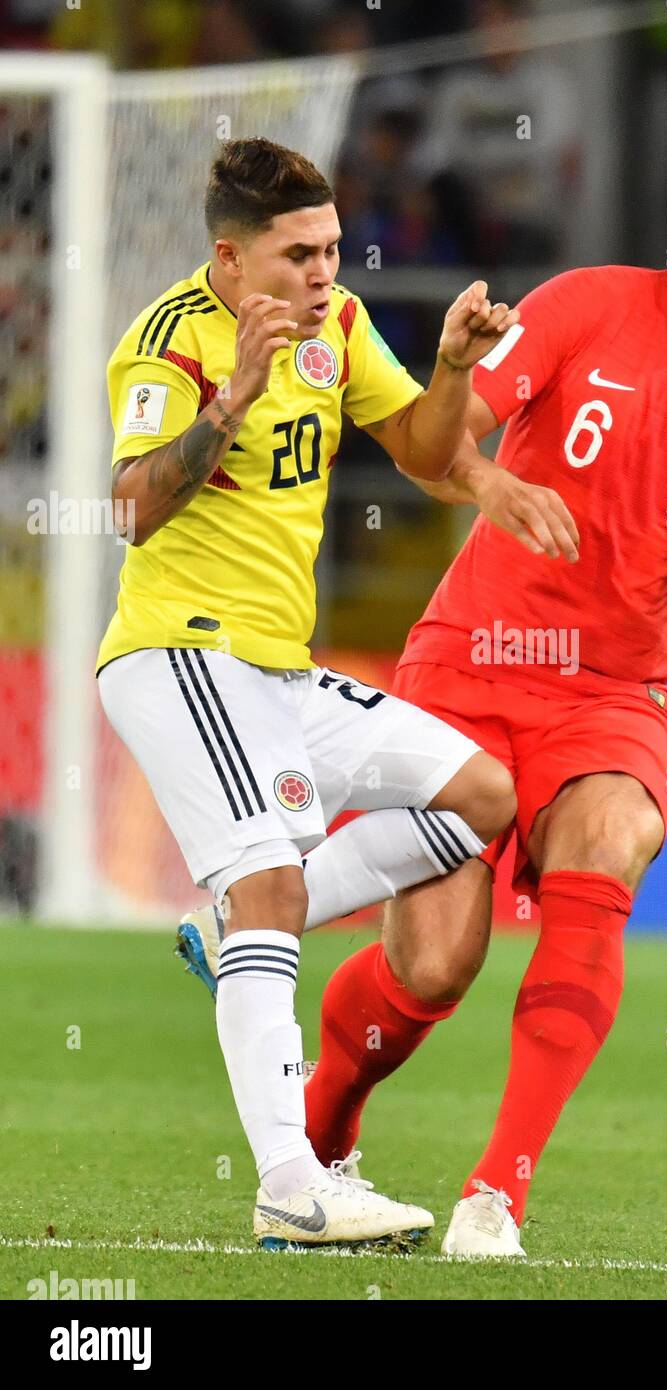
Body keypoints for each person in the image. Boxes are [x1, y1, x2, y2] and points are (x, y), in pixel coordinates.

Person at [294, 115, 667, 1258]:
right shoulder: (583, 302)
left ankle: (497, 1192)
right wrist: (487, 481)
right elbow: (436, 447)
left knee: (608, 844)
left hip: (613, 697)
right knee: (432, 969)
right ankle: (322, 1130)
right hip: (467, 666)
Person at [96, 137, 519, 1249]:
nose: (324, 272)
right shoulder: (166, 341)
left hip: (282, 669)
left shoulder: (337, 325)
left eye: (332, 248)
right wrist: (233, 393)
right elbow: (131, 509)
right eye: (297, 254)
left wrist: (455, 366)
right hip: (179, 653)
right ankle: (292, 1181)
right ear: (230, 262)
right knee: (271, 882)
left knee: (481, 798)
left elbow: (427, 452)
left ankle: (229, 926)